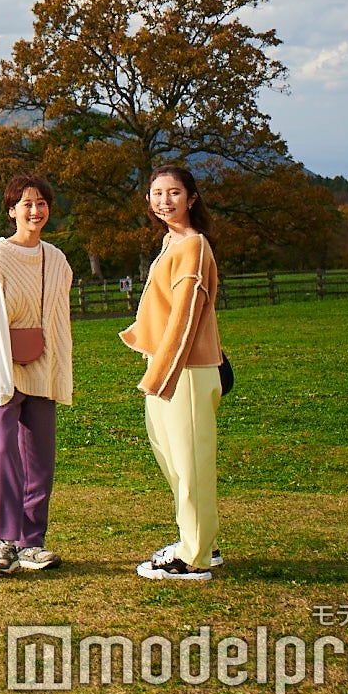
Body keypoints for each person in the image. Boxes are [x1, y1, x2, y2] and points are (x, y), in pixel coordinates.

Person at [122, 163, 224, 581]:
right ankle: (202, 540)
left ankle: (194, 559)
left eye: (175, 193)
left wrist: (161, 375)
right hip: (166, 366)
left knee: (191, 463)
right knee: (173, 460)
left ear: (192, 198)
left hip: (185, 371)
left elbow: (185, 318)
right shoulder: (171, 242)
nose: (165, 201)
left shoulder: (193, 246)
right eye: (157, 193)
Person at [0, 173, 73, 576]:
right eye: (26, 204)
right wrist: (1, 379)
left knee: (39, 459)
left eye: (41, 203)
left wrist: (58, 372)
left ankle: (32, 543)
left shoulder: (57, 260)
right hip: (0, 366)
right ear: (11, 211)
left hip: (42, 367)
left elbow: (59, 321)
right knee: (1, 453)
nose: (35, 210)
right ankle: (4, 543)